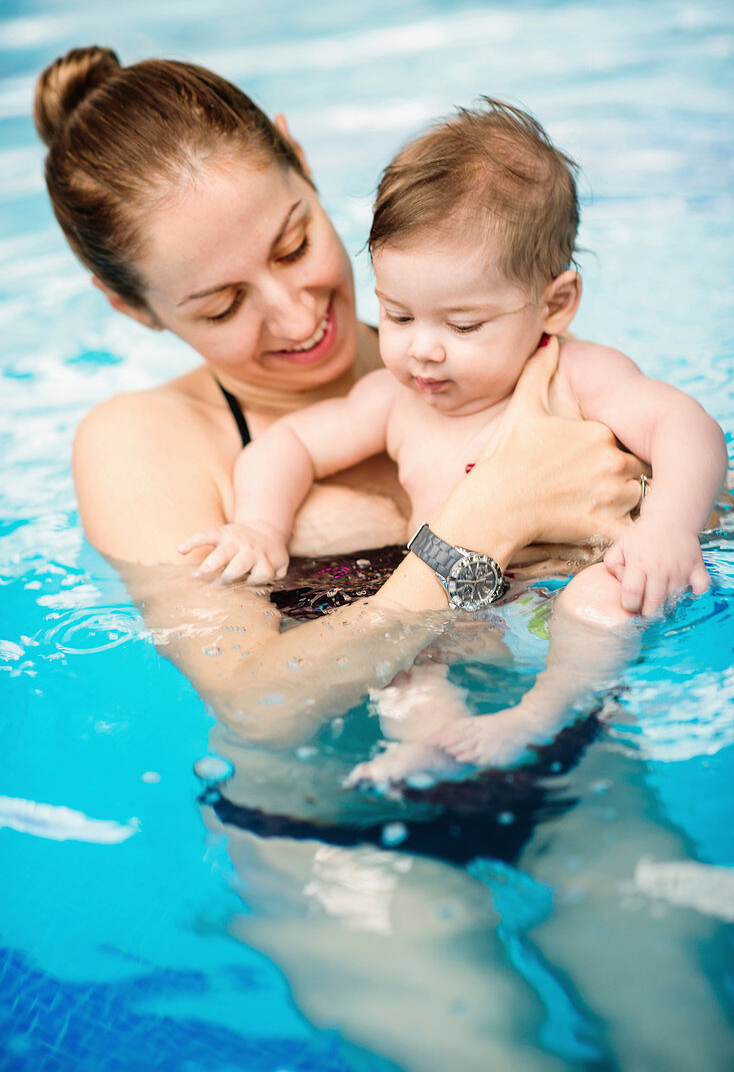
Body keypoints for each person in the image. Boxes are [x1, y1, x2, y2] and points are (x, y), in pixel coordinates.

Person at [34, 48, 731, 1072]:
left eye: (294, 242)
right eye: (219, 304)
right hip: (333, 824)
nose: (293, 313)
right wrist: (481, 526)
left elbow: (684, 501)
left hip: (560, 753)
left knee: (687, 1037)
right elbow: (260, 701)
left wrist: (667, 519)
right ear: (130, 307)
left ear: (306, 163)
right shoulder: (146, 441)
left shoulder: (484, 339)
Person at [178, 99, 727, 778]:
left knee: (597, 600)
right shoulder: (394, 398)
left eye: (463, 325)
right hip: (470, 617)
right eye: (399, 315)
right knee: (402, 655)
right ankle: (430, 745)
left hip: (577, 589)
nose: (423, 352)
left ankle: (539, 715)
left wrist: (668, 527)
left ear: (555, 304)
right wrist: (258, 526)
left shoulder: (576, 373)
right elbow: (289, 445)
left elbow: (688, 426)